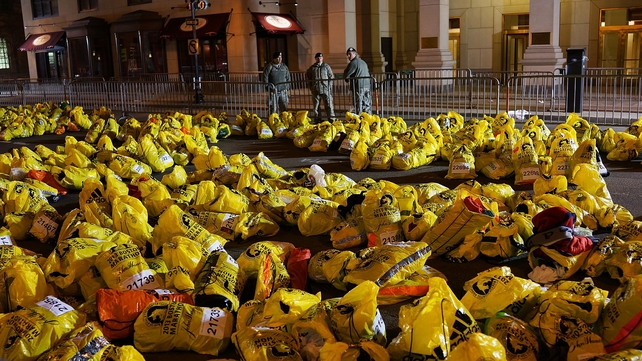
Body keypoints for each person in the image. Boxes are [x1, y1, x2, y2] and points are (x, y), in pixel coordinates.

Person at [306, 52, 335, 121]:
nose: (319, 59)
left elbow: (331, 76)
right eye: (318, 58)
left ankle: (331, 119)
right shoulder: (312, 68)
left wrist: (329, 86)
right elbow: (308, 77)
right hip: (316, 89)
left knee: (329, 105)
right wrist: (311, 87)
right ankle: (317, 119)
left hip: (325, 89)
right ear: (315, 59)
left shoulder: (326, 66)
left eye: (321, 57)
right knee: (316, 106)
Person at [343, 47, 371, 114]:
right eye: (348, 54)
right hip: (367, 85)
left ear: (355, 54)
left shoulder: (353, 63)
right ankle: (368, 118)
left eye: (350, 54)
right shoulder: (363, 62)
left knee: (358, 103)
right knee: (366, 103)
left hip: (358, 86)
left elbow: (347, 74)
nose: (348, 56)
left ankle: (359, 119)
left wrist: (346, 78)